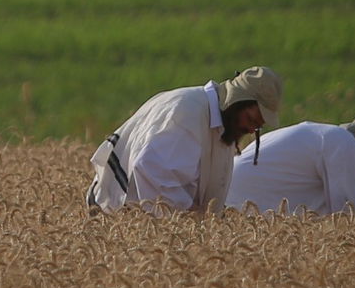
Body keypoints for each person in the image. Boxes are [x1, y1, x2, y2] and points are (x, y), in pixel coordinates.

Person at [87, 66, 284, 215]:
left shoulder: (221, 125)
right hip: (120, 220)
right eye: (250, 120)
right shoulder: (187, 113)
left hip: (147, 228)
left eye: (258, 127)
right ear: (235, 102)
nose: (251, 129)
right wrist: (187, 224)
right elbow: (153, 171)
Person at [224, 113, 355, 216]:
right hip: (245, 209)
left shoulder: (322, 134)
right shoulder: (344, 144)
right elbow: (346, 214)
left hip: (224, 197)